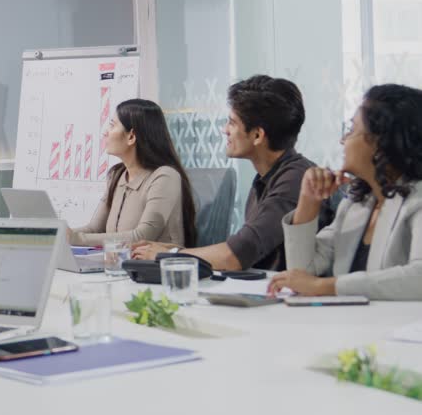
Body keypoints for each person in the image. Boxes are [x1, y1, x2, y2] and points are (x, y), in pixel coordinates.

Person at [132, 75, 314, 271]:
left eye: (232, 123)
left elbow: (235, 256)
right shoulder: (267, 178)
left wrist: (169, 255)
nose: (224, 130)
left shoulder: (296, 180)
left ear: (257, 135)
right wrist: (179, 250)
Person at [268, 84, 422, 300]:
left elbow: (418, 279)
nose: (343, 140)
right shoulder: (356, 204)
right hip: (354, 328)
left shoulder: (418, 201)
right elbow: (303, 273)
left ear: (380, 141)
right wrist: (308, 201)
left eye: (351, 130)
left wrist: (327, 286)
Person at [69, 98, 196, 247]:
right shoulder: (116, 175)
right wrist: (57, 234)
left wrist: (73, 238)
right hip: (117, 266)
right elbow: (94, 229)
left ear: (131, 136)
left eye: (112, 125)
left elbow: (141, 237)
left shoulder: (165, 177)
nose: (105, 132)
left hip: (156, 268)